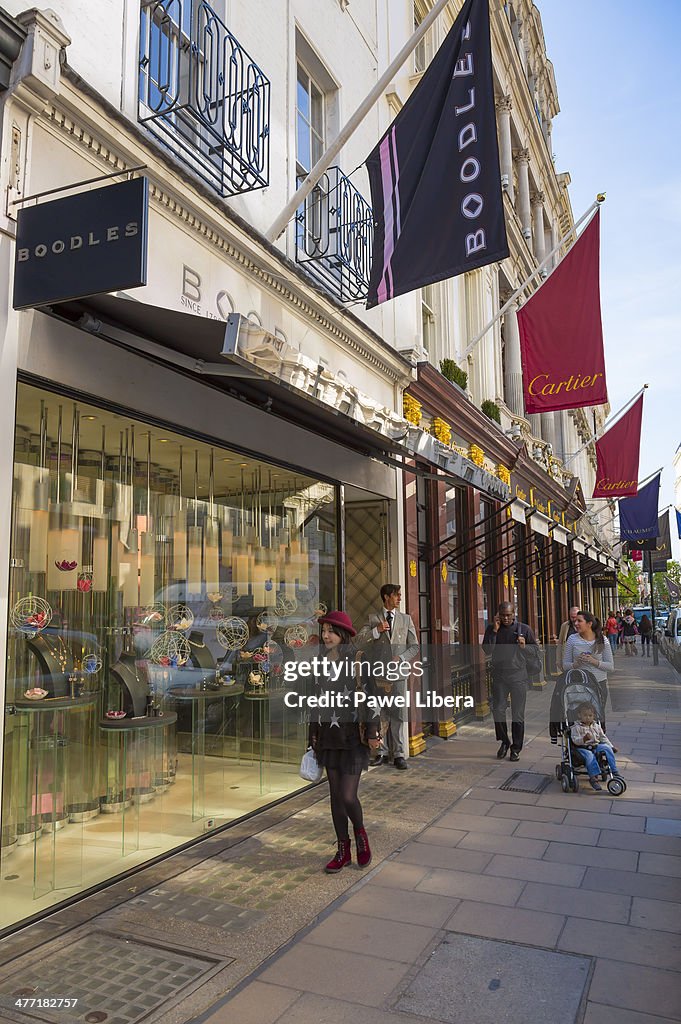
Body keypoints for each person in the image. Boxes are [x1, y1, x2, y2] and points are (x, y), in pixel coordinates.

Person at [308, 611, 380, 873]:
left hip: (352, 738)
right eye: (324, 630)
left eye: (330, 631)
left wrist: (372, 733)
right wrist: (312, 738)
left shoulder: (359, 660)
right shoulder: (320, 662)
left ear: (343, 635)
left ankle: (360, 836)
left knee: (348, 795)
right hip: (328, 737)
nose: (325, 635)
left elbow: (372, 699)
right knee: (335, 798)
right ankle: (342, 850)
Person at [356, 583, 419, 770]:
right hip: (378, 675)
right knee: (380, 713)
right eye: (396, 595)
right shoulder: (373, 618)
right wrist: (376, 631)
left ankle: (399, 753)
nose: (399, 598)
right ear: (386, 597)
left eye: (400, 595)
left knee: (398, 714)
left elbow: (414, 646)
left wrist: (401, 657)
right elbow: (359, 641)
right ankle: (381, 752)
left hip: (399, 675)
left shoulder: (406, 619)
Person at [483, 601, 541, 762]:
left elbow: (535, 651)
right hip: (499, 676)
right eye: (503, 615)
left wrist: (524, 647)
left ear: (514, 614)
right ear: (498, 615)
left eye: (509, 615)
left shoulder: (524, 629)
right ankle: (504, 741)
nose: (506, 618)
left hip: (518, 677)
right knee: (498, 710)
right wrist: (494, 631)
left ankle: (516, 748)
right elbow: (487, 650)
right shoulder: (492, 629)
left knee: (517, 714)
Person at [563, 611, 614, 711]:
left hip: (598, 684)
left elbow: (610, 667)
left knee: (597, 718)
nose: (576, 623)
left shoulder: (602, 640)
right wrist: (576, 664)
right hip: (578, 686)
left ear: (589, 624)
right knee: (579, 720)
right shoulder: (572, 639)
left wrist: (593, 661)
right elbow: (565, 665)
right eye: (575, 621)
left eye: (579, 621)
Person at [571, 701, 618, 792]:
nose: (588, 718)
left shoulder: (596, 726)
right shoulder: (576, 727)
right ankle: (593, 778)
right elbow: (575, 740)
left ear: (594, 716)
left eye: (590, 715)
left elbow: (603, 738)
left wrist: (611, 746)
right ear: (579, 715)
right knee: (590, 756)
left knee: (606, 748)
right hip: (582, 748)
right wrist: (583, 739)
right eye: (585, 715)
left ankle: (614, 770)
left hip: (595, 746)